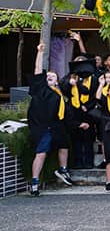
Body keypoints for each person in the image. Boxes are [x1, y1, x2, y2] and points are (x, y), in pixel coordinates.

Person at [27, 43, 73, 196]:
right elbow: (38, 70)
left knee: (64, 143)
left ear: (57, 81)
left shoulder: (59, 94)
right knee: (41, 153)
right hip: (42, 126)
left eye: (52, 77)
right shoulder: (41, 89)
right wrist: (40, 53)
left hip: (55, 125)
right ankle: (34, 182)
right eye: (47, 77)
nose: (49, 77)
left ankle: (63, 170)